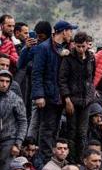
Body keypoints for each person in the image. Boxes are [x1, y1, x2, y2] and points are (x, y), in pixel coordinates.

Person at [32, 20, 74, 160]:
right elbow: (37, 73)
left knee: (55, 128)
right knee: (46, 129)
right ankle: (44, 160)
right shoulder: (43, 48)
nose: (71, 34)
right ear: (63, 31)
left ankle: (51, 158)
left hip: (60, 95)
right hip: (48, 94)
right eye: (70, 31)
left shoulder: (66, 47)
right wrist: (39, 95)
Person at [59, 32, 96, 162]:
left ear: (87, 45)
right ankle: (71, 159)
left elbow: (92, 77)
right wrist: (67, 99)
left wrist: (92, 92)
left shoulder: (91, 58)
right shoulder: (68, 58)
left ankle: (81, 160)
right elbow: (62, 80)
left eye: (83, 46)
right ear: (74, 45)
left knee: (82, 132)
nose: (81, 49)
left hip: (86, 100)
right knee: (72, 131)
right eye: (78, 46)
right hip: (72, 100)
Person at [0, 70, 26, 170]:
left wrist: (18, 143)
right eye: (1, 81)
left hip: (8, 139)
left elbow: (23, 122)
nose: (4, 84)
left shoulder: (15, 99)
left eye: (7, 81)